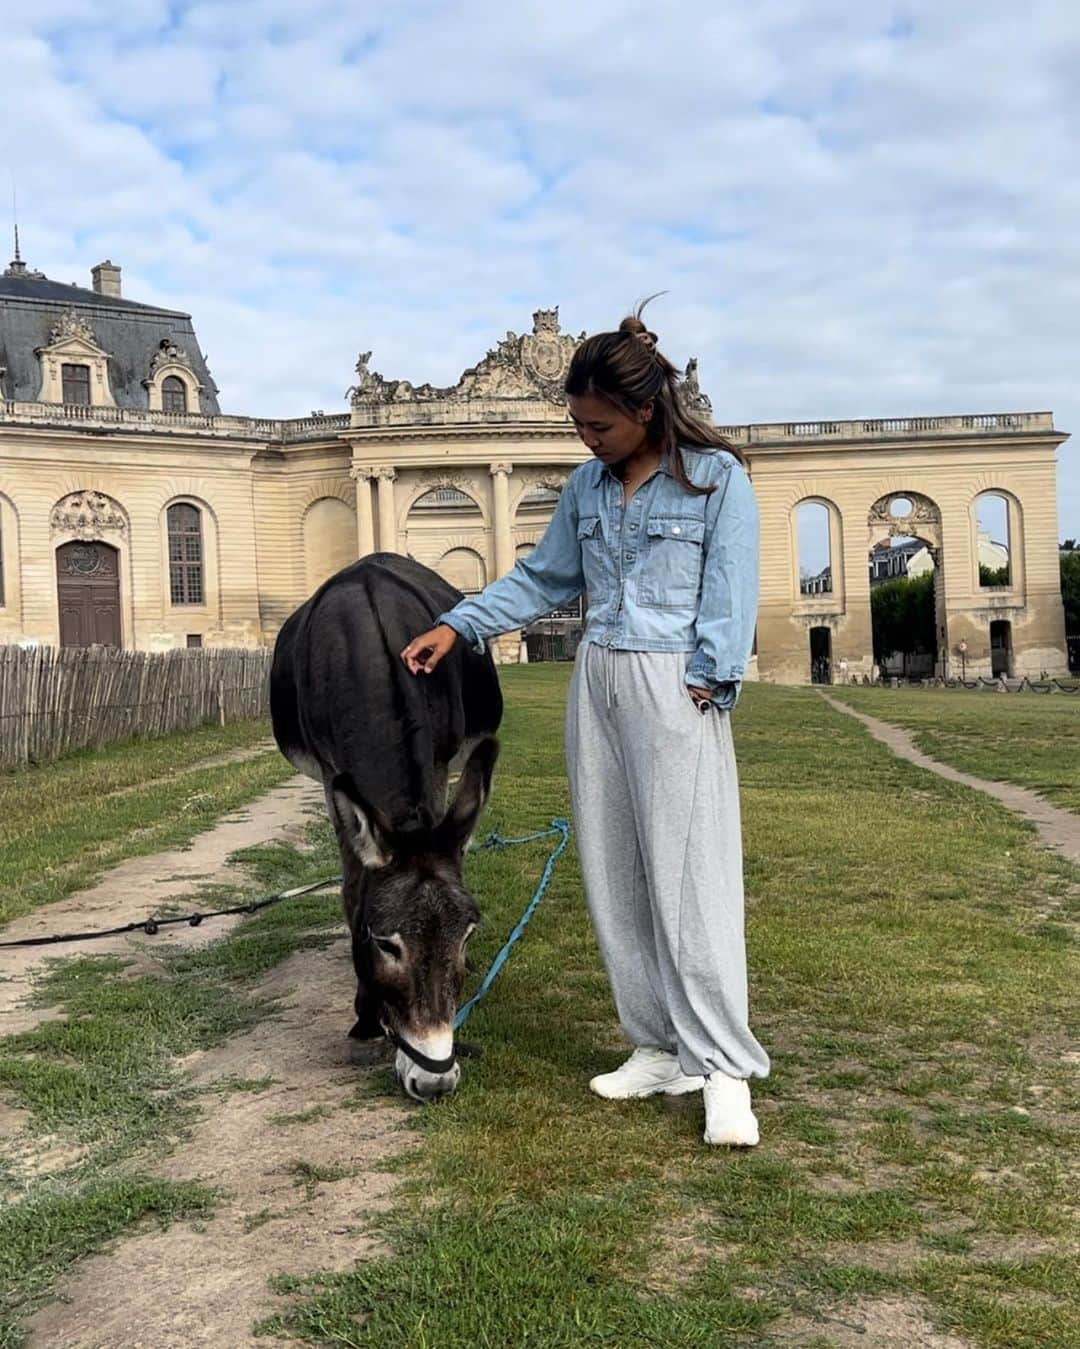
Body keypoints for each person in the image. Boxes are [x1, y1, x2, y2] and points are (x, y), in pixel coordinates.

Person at [400, 305, 768, 1147]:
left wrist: (710, 680)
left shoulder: (716, 480)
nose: (586, 440)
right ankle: (657, 1045)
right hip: (598, 677)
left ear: (645, 411)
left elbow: (731, 590)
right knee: (613, 867)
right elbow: (542, 578)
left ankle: (722, 1068)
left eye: (597, 425)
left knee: (691, 878)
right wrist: (459, 623)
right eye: (577, 426)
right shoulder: (586, 489)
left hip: (676, 681)